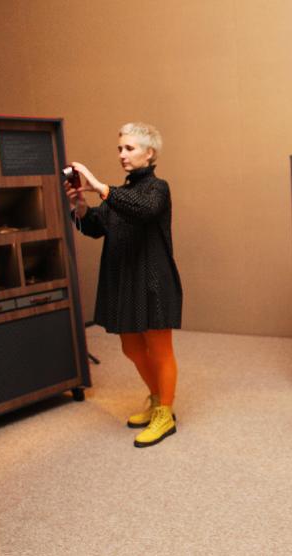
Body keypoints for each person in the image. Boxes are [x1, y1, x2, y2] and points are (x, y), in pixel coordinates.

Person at [64, 122, 183, 448]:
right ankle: (157, 398)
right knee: (131, 348)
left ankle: (165, 414)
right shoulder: (121, 193)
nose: (122, 154)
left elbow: (143, 211)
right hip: (125, 281)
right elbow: (94, 227)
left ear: (150, 153)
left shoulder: (158, 189)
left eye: (129, 148)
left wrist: (101, 187)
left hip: (153, 282)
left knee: (160, 351)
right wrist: (80, 206)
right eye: (120, 148)